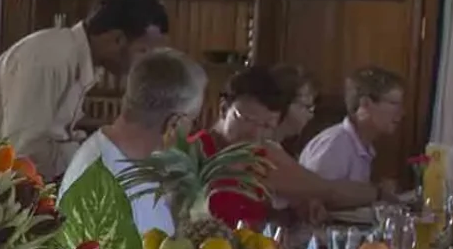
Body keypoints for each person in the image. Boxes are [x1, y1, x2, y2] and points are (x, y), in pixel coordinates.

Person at [0, 0, 169, 181]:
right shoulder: (50, 59)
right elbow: (24, 153)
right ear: (117, 40)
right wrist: (92, 151)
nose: (145, 63)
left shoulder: (77, 60)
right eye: (143, 51)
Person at [59, 50, 208, 236]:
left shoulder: (135, 160)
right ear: (173, 124)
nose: (191, 130)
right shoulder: (101, 186)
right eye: (192, 120)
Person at [185, 65, 297, 230]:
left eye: (267, 126)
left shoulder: (260, 159)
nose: (255, 134)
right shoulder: (191, 154)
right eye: (247, 119)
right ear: (224, 109)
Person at [293, 67, 407, 209]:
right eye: (394, 103)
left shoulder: (363, 145)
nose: (402, 112)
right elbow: (314, 198)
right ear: (365, 104)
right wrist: (375, 193)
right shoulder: (335, 144)